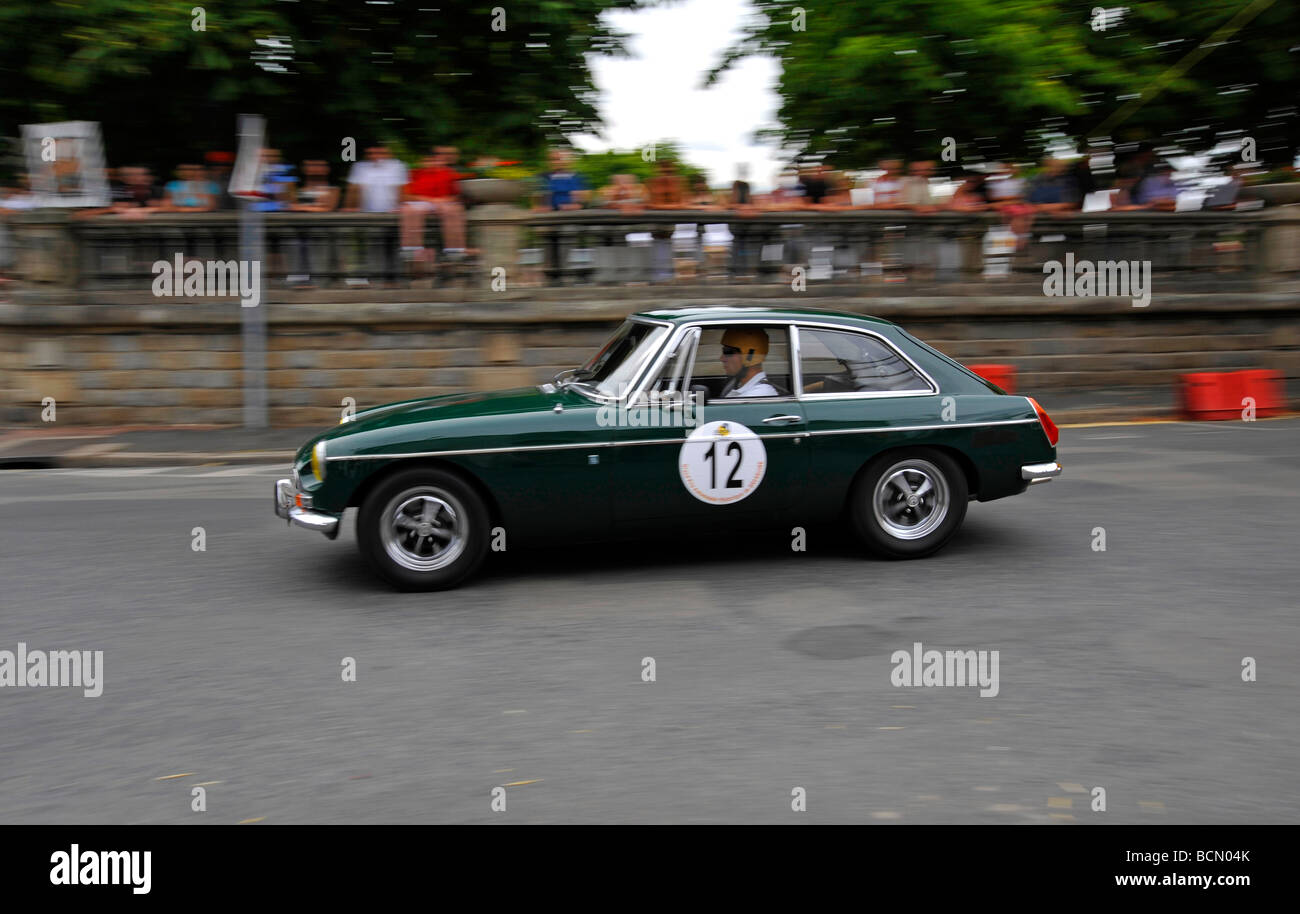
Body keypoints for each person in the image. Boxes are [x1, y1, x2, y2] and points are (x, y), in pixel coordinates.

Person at [343, 145, 408, 212]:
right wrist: (348, 207)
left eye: (381, 153)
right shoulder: (359, 167)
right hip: (365, 212)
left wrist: (400, 207)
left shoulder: (398, 166)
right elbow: (352, 190)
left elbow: (401, 191)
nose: (375, 156)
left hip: (392, 212)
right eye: (370, 153)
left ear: (389, 154)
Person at [719, 327, 778, 397]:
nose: (721, 359)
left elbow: (701, 408)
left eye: (728, 352)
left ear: (749, 357)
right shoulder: (738, 385)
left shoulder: (759, 394)